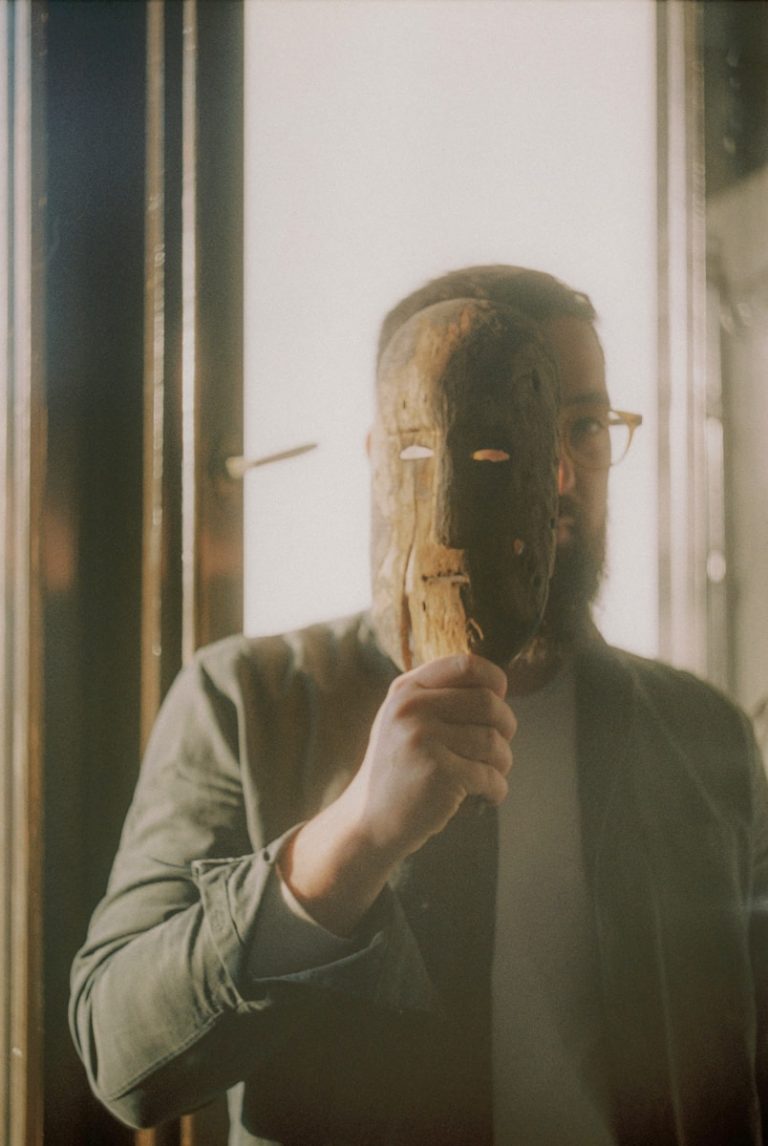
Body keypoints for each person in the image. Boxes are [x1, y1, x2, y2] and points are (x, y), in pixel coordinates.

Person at [70, 266, 768, 1146]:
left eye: (585, 426)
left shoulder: (704, 737)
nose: (555, 472)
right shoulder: (244, 703)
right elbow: (119, 1056)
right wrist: (350, 841)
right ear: (389, 457)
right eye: (492, 431)